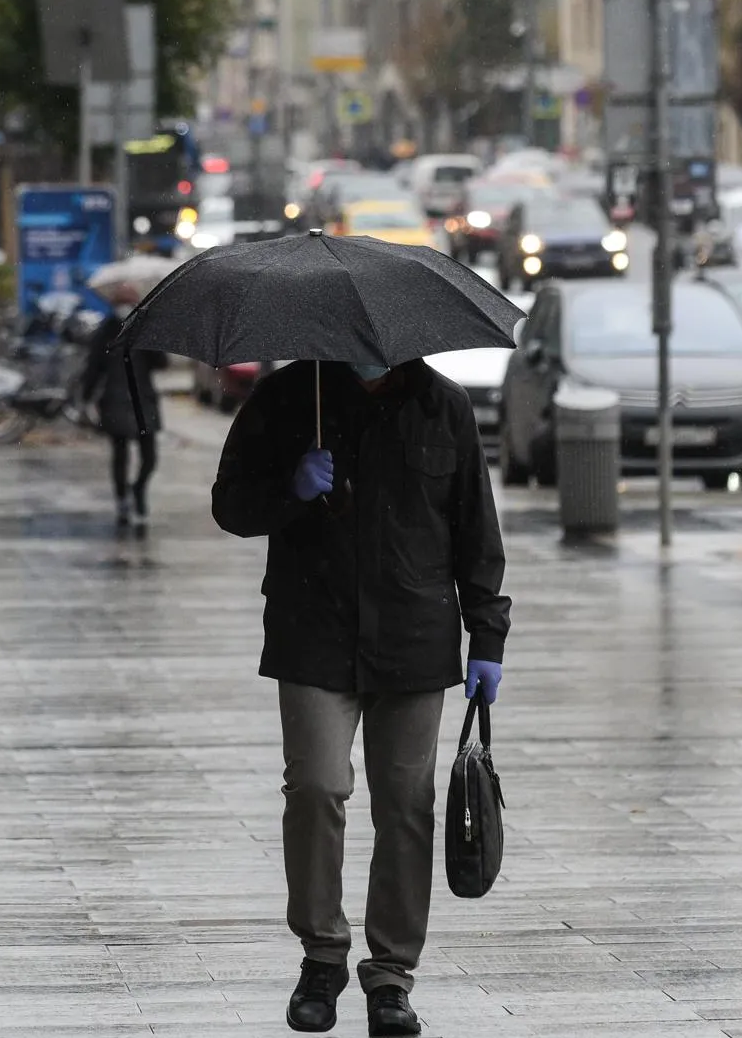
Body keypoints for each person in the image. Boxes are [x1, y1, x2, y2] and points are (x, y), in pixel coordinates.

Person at [211, 358, 509, 1037]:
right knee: (316, 786)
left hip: (414, 637)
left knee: (407, 803)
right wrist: (290, 487)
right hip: (311, 631)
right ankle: (321, 955)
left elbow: (475, 528)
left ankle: (392, 975)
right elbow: (230, 505)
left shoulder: (444, 406)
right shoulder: (288, 397)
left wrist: (487, 634)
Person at [81, 290, 164, 526]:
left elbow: (161, 363)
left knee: (150, 457)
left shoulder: (145, 329)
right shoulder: (107, 330)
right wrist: (86, 396)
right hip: (115, 399)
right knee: (120, 455)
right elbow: (94, 365)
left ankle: (138, 488)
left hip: (143, 400)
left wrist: (152, 338)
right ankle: (122, 500)